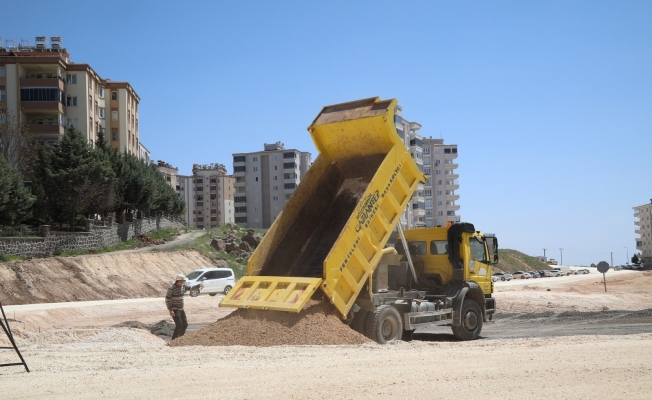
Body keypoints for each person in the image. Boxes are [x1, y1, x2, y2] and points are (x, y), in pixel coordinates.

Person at [165, 274, 203, 340]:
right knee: (179, 324)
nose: (183, 282)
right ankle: (174, 339)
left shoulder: (183, 286)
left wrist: (198, 286)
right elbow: (167, 299)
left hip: (181, 309)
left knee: (185, 325)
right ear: (178, 281)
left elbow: (190, 288)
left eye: (183, 281)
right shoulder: (171, 288)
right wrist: (170, 310)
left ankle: (180, 338)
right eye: (182, 281)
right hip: (175, 309)